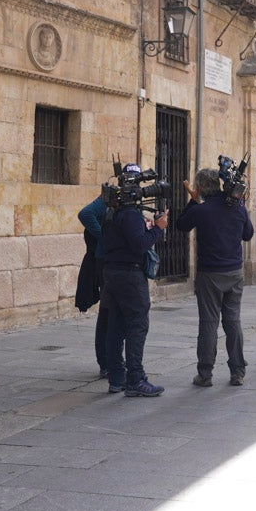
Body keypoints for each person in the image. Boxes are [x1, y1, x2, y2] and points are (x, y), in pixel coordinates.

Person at [176, 168, 255, 387]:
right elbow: (248, 234)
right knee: (233, 322)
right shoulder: (237, 207)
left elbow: (181, 225)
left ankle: (205, 373)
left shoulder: (202, 210)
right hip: (234, 272)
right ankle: (237, 371)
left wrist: (193, 202)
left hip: (210, 274)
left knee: (209, 323)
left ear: (199, 187)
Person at [101, 163, 168, 397]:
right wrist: (158, 228)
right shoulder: (130, 214)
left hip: (112, 273)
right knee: (137, 326)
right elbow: (139, 245)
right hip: (129, 275)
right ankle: (135, 380)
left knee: (116, 325)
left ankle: (116, 379)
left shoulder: (114, 211)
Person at [76, 194, 111, 377]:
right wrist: (104, 237)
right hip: (105, 265)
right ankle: (105, 363)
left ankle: (113, 361)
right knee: (107, 314)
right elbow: (85, 214)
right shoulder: (108, 197)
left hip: (116, 265)